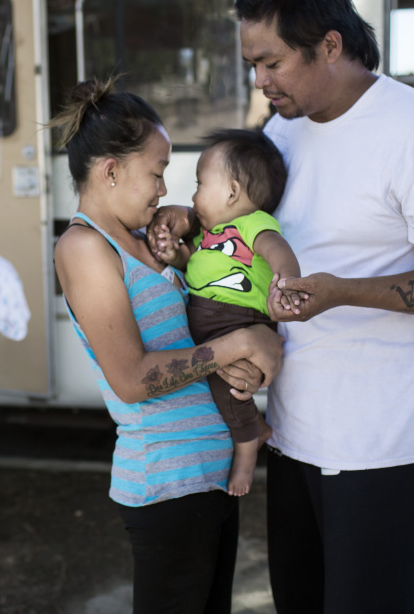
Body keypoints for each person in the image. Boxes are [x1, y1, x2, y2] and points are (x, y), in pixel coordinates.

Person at [150, 0, 414, 614]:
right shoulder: (282, 129)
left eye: (271, 63)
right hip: (294, 434)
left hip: (379, 445)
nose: (259, 82)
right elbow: (237, 214)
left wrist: (343, 291)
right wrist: (183, 214)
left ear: (331, 46)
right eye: (251, 65)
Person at [51, 78, 284, 614]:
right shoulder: (84, 247)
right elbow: (132, 379)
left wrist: (239, 365)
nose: (161, 188)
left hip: (209, 479)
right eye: (156, 173)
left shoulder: (145, 240)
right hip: (167, 483)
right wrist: (240, 344)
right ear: (111, 170)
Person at [151, 128, 302, 496]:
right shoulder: (207, 235)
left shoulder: (254, 224)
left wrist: (286, 283)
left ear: (232, 191)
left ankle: (249, 447)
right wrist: (176, 255)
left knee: (227, 389)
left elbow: (277, 250)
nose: (193, 195)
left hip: (238, 319)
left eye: (200, 183)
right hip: (209, 320)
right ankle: (253, 430)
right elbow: (198, 266)